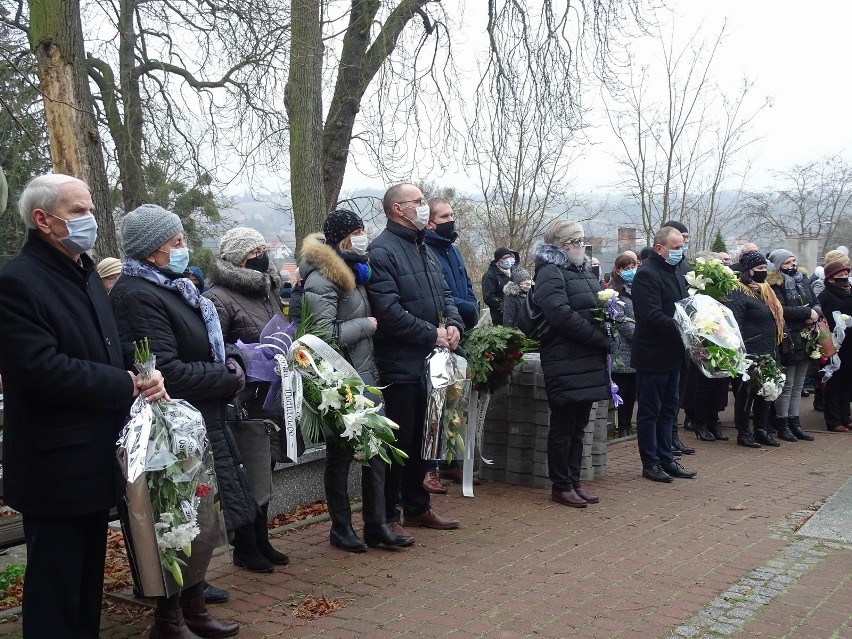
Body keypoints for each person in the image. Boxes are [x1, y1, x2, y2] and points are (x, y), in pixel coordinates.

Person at [0, 174, 167, 639]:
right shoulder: (16, 282)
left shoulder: (83, 270)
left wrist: (145, 371)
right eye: (77, 211)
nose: (90, 219)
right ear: (43, 220)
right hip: (55, 464)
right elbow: (40, 369)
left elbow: (107, 344)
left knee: (86, 584)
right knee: (56, 586)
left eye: (91, 209)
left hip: (95, 457)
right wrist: (123, 382)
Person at [111, 204, 245, 638]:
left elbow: (197, 353)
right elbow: (165, 370)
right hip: (166, 432)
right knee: (173, 521)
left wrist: (229, 364)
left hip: (193, 426)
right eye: (176, 243)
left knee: (197, 518)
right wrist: (226, 375)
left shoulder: (173, 287)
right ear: (152, 252)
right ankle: (168, 620)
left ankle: (195, 607)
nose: (185, 249)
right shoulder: (136, 295)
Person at [300, 209, 414, 552]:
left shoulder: (356, 271)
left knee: (376, 451)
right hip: (342, 382)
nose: (365, 235)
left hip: (366, 376)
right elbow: (320, 335)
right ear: (342, 237)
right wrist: (368, 325)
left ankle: (377, 524)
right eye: (358, 230)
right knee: (341, 458)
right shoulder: (322, 278)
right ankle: (341, 528)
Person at [367, 183, 464, 535]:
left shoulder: (423, 247)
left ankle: (418, 506)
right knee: (401, 441)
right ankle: (390, 514)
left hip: (432, 362)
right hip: (400, 364)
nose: (424, 207)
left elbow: (446, 294)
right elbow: (388, 312)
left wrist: (453, 325)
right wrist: (431, 333)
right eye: (419, 202)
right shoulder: (381, 252)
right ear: (397, 209)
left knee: (428, 436)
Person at [203, 227, 291, 573]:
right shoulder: (217, 297)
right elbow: (216, 346)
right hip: (243, 399)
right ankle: (246, 544)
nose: (263, 253)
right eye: (255, 249)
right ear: (240, 257)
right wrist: (245, 360)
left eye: (262, 246)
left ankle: (262, 536)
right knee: (246, 472)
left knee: (264, 469)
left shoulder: (267, 289)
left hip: (270, 396)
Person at [533, 220, 609, 507]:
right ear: (560, 245)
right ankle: (561, 485)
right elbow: (560, 314)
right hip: (565, 358)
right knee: (564, 426)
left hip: (587, 359)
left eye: (581, 241)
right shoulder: (550, 271)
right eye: (574, 242)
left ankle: (575, 480)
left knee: (579, 425)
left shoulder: (583, 270)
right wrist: (595, 336)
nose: (580, 246)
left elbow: (599, 303)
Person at [423, 197, 480, 490]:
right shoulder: (427, 251)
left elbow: (466, 286)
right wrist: (464, 309)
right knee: (436, 403)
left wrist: (470, 305)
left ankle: (451, 462)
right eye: (445, 216)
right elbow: (439, 294)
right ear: (430, 222)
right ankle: (429, 468)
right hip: (439, 335)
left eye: (452, 215)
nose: (451, 220)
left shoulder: (453, 250)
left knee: (455, 403)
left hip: (459, 330)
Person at [631, 226, 697, 482]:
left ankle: (667, 457)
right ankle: (651, 462)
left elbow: (682, 308)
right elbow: (651, 315)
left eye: (682, 246)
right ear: (660, 248)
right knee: (650, 411)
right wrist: (687, 328)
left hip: (674, 354)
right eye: (676, 247)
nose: (680, 251)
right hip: (653, 354)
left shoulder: (677, 272)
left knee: (669, 409)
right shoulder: (646, 275)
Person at [727, 251, 786, 448]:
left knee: (766, 391)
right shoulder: (738, 292)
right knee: (746, 394)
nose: (764, 272)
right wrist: (744, 352)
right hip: (750, 351)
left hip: (768, 348)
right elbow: (736, 324)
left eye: (765, 268)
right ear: (748, 271)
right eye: (759, 269)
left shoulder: (764, 290)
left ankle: (761, 430)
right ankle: (744, 433)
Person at [767, 249, 818, 441]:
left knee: (798, 385)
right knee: (787, 384)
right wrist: (806, 314)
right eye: (787, 263)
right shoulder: (774, 284)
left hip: (806, 337)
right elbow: (781, 309)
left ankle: (795, 422)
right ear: (779, 265)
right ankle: (783, 423)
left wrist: (815, 312)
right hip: (788, 338)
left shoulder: (803, 280)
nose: (792, 265)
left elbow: (815, 301)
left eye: (794, 261)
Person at [817, 260, 852, 432]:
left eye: (846, 274)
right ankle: (833, 419)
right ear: (831, 278)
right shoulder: (825, 296)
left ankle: (846, 416)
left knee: (847, 381)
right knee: (834, 382)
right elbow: (823, 320)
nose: (844, 277)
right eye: (840, 275)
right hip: (835, 344)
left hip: (850, 343)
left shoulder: (850, 291)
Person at [609, 254, 637, 437]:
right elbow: (619, 319)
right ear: (618, 270)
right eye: (626, 268)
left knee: (632, 391)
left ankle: (628, 423)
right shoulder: (615, 292)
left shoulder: (638, 289)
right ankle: (622, 426)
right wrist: (640, 334)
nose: (631, 271)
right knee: (622, 389)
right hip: (622, 346)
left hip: (636, 348)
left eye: (633, 267)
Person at [482, 247, 519, 326]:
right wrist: (506, 304)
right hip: (500, 316)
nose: (508, 260)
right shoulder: (489, 276)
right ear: (498, 260)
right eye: (505, 258)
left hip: (518, 314)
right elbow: (488, 297)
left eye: (509, 257)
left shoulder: (515, 271)